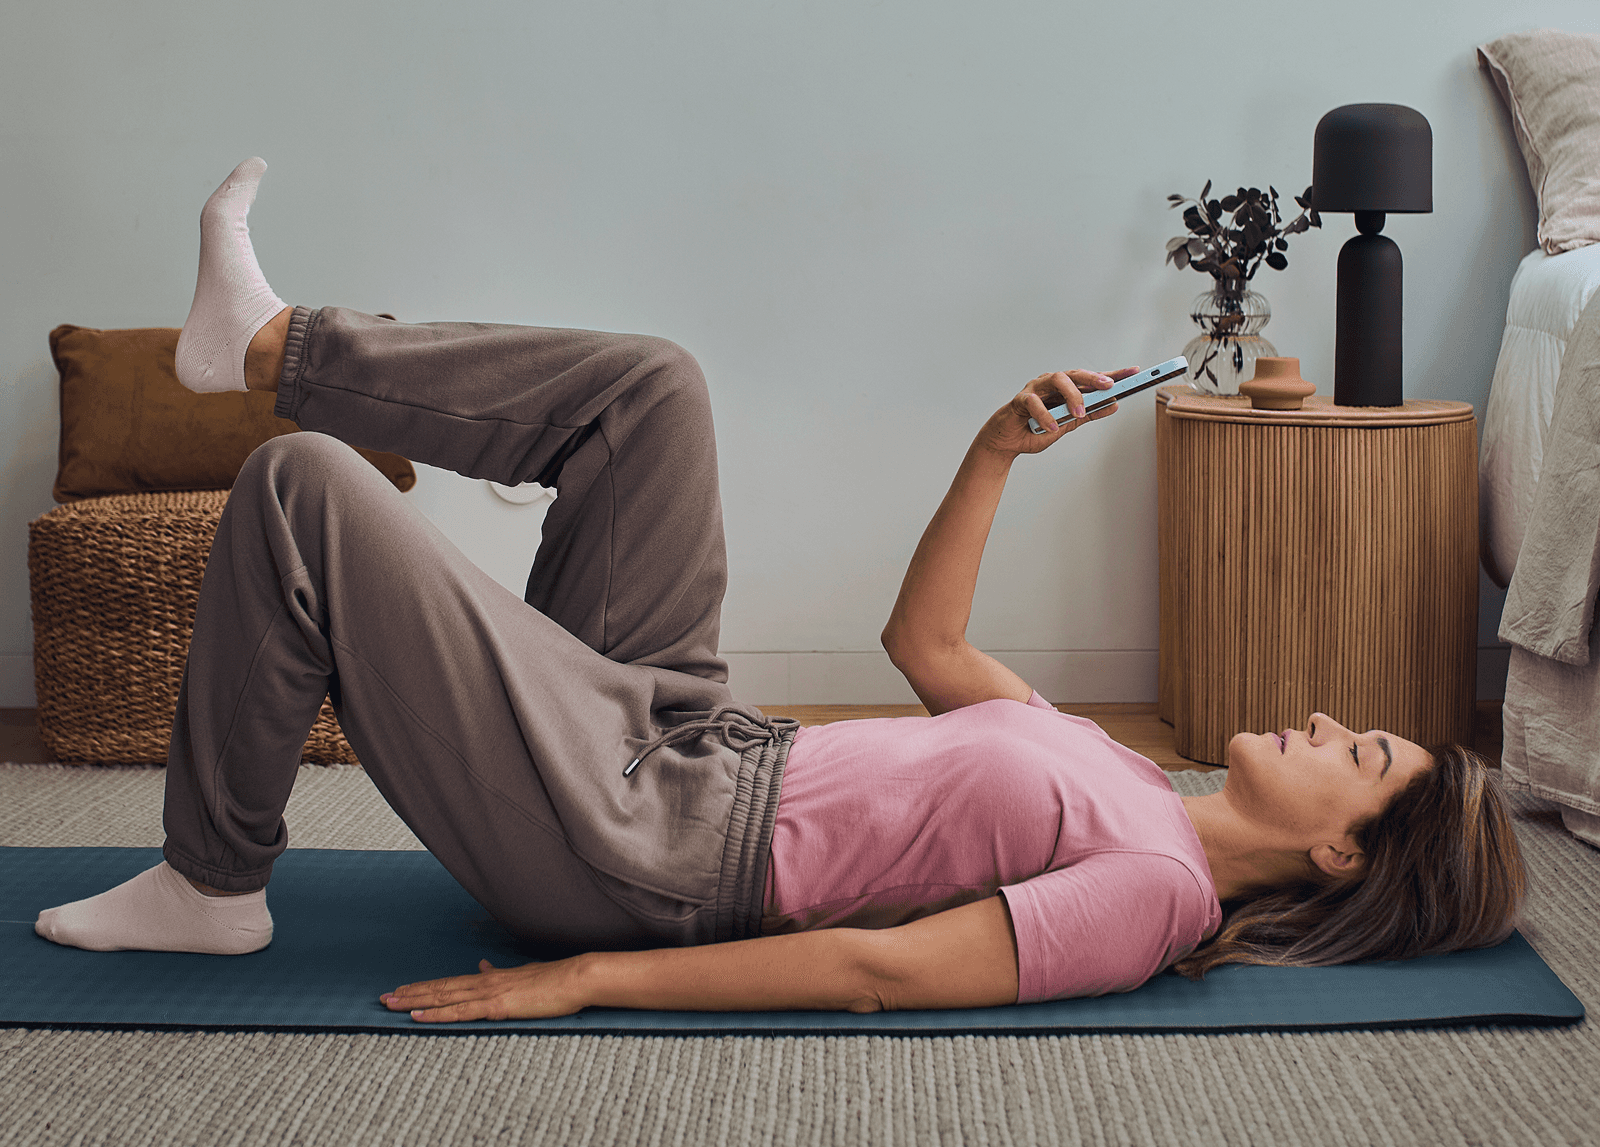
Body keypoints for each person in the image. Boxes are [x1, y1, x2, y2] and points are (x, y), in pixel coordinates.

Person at [35, 162, 1527, 1021]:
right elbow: (924, 646)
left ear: (1340, 857)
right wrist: (998, 451)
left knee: (307, 493)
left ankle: (211, 886)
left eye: (1363, 756)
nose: (1335, 721)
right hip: (696, 735)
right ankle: (274, 347)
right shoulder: (1131, 777)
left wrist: (591, 983)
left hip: (649, 843)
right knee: (650, 389)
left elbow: (880, 966)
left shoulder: (1152, 897)